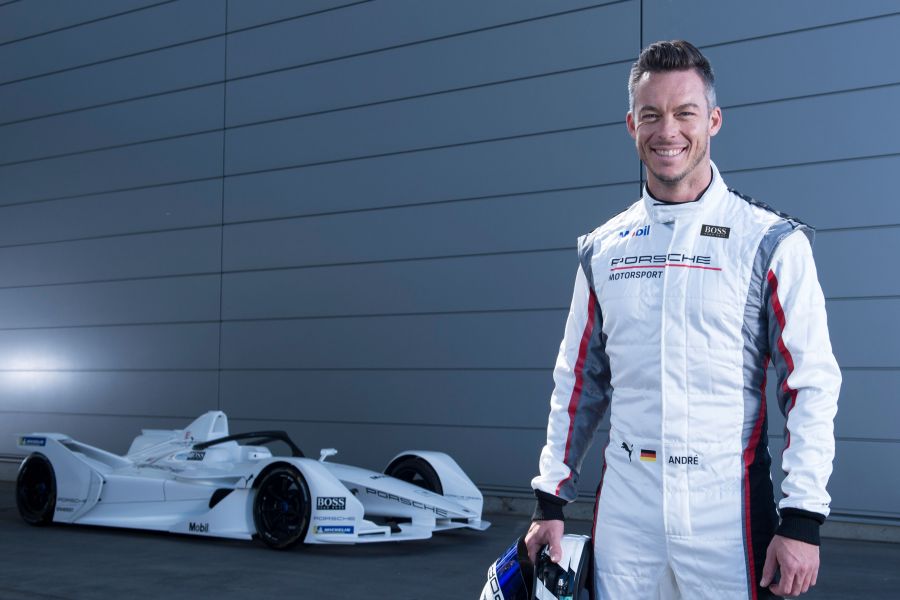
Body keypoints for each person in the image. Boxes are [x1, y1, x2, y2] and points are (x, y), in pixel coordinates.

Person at [524, 40, 841, 600]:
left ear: (713, 120)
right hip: (626, 509)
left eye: (684, 113)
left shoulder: (769, 243)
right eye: (651, 115)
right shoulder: (603, 249)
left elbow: (810, 384)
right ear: (631, 125)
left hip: (727, 509)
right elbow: (577, 383)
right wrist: (550, 500)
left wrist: (803, 518)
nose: (667, 130)